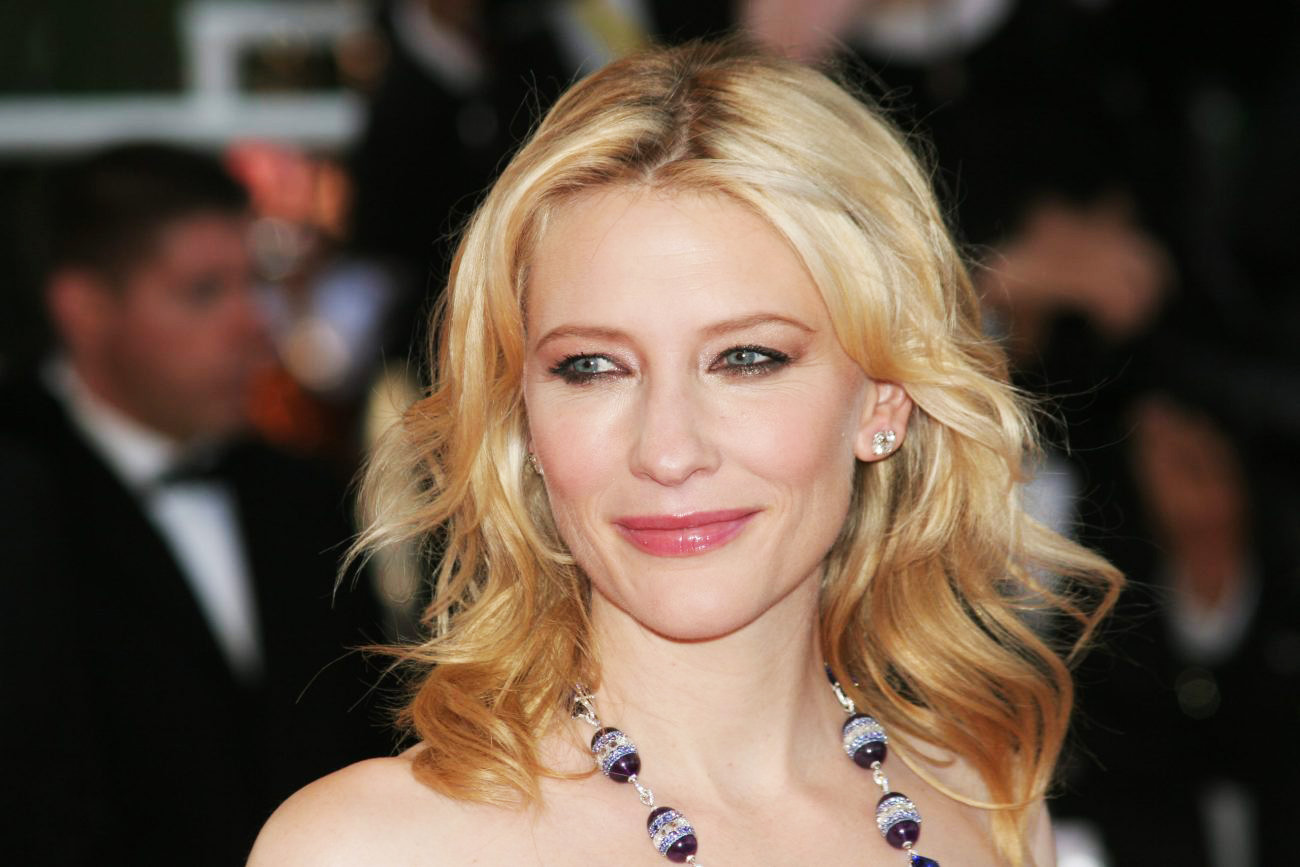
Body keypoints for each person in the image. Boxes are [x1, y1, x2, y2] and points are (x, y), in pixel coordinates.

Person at [249, 40, 1120, 866]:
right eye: (592, 367)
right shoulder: (369, 847)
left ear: (883, 398)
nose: (668, 451)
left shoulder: (989, 806)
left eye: (747, 359)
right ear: (523, 418)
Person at [0, 143, 386, 865]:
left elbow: (371, 734)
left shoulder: (303, 496)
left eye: (255, 283)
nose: (254, 324)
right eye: (204, 291)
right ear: (84, 308)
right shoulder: (19, 494)